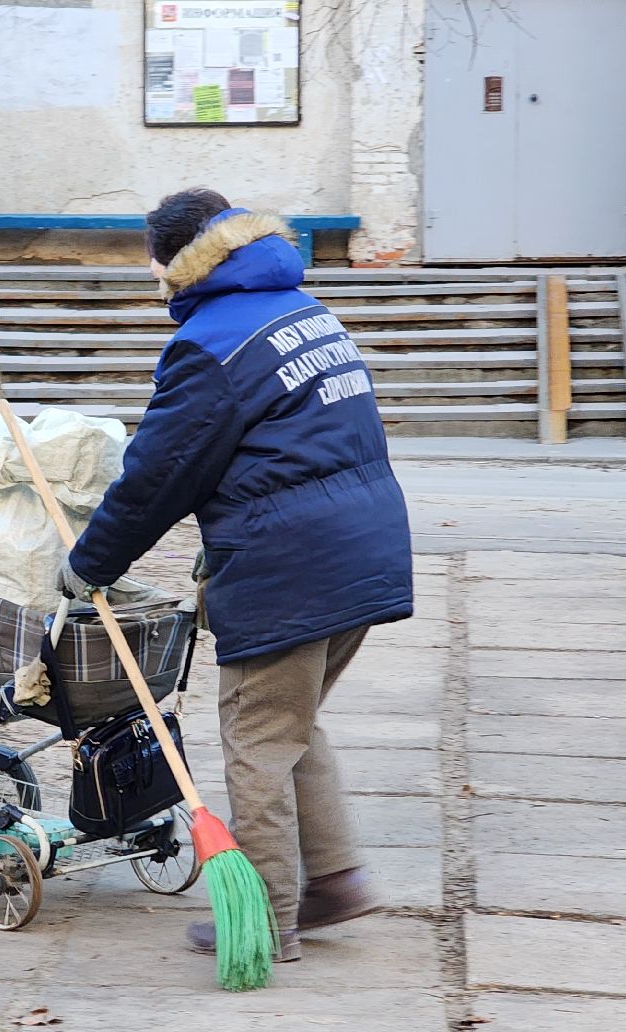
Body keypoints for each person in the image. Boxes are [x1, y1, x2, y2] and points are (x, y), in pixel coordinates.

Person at [58, 188, 414, 962]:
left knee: (256, 737)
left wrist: (89, 564)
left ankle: (266, 919)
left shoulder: (210, 342)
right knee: (290, 725)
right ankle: (335, 881)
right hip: (362, 544)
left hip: (291, 564)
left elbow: (158, 476)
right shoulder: (299, 307)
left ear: (175, 263)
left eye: (154, 268)